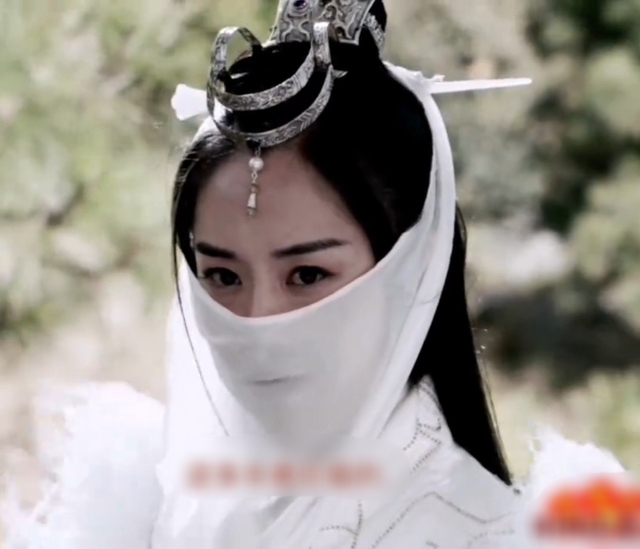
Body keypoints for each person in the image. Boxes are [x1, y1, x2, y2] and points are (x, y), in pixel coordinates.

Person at [2, 1, 626, 548]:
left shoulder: (491, 537)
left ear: (409, 269)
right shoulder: (155, 504)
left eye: (307, 274)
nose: (258, 322)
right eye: (222, 277)